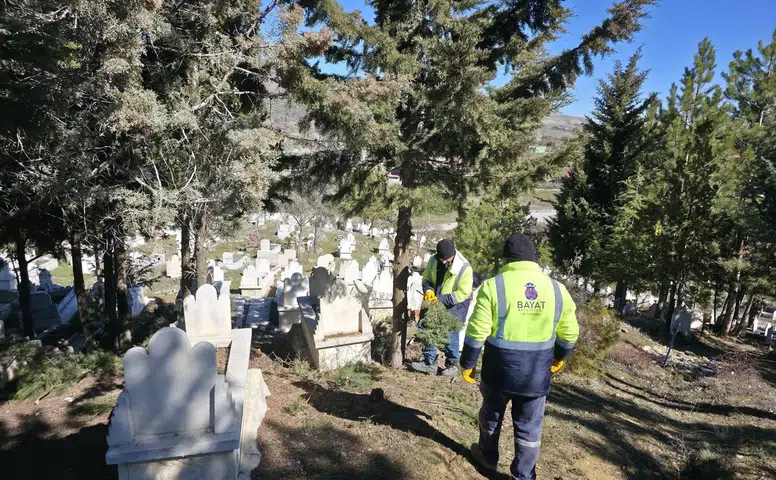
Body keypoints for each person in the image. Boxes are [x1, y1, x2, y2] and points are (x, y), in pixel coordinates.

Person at [459, 234, 579, 480]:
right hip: (536, 375)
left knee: (491, 417)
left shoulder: (494, 286)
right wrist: (560, 357)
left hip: (498, 372)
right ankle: (523, 476)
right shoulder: (558, 290)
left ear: (506, 259)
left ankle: (487, 457)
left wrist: (468, 364)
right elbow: (570, 333)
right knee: (529, 430)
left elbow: (476, 331)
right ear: (534, 259)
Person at [410, 238, 473, 376]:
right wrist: (429, 291)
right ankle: (429, 362)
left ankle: (451, 365)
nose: (444, 262)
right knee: (427, 325)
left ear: (453, 254)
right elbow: (426, 278)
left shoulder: (464, 268)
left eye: (447, 259)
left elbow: (462, 293)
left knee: (450, 332)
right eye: (441, 258)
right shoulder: (433, 260)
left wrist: (440, 299)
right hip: (436, 297)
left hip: (456, 303)